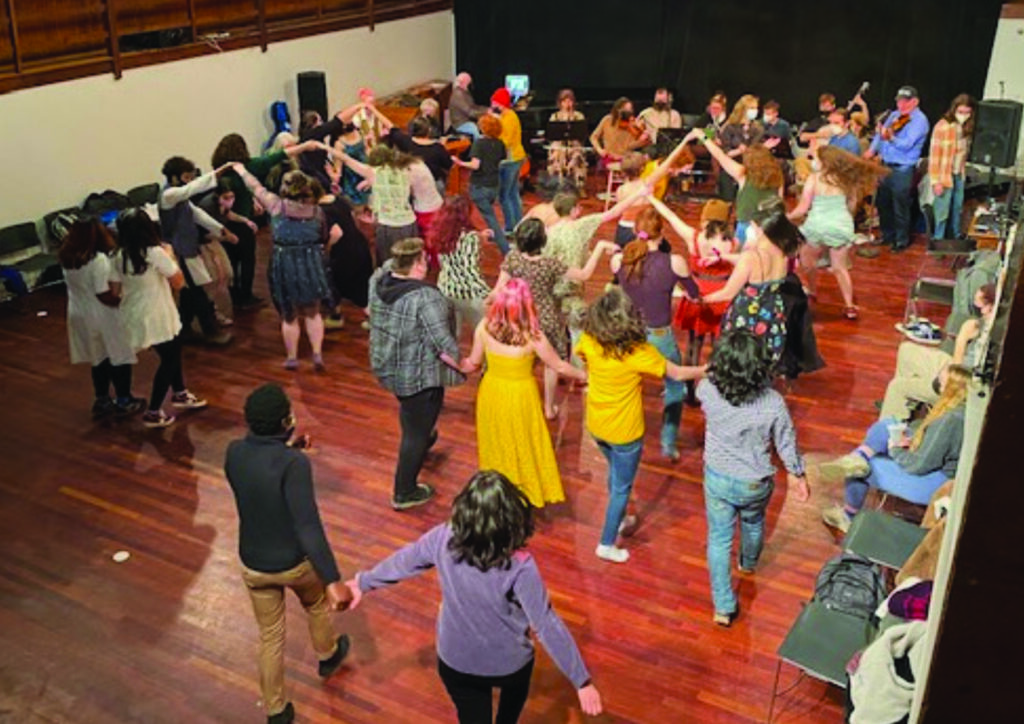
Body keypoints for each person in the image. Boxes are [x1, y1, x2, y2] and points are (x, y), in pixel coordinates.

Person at [344, 470, 603, 723]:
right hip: (509, 665)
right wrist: (581, 680)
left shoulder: (443, 537)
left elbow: (405, 561)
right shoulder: (521, 565)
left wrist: (363, 583)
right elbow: (546, 623)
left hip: (456, 662)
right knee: (512, 704)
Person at [224, 383, 353, 724]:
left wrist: (288, 447)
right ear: (285, 421)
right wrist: (332, 579)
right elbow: (307, 525)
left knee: (270, 637)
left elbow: (259, 475)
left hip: (253, 563)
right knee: (316, 604)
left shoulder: (233, 453)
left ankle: (276, 710)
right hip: (292, 563)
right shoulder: (294, 465)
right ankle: (327, 654)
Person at [575, 289, 704, 563]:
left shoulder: (589, 339)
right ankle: (606, 543)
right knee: (622, 487)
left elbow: (581, 356)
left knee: (615, 475)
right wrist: (706, 370)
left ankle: (619, 517)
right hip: (625, 432)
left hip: (596, 423)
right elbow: (678, 373)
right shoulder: (639, 352)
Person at [697, 329, 809, 625]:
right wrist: (797, 474)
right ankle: (748, 563)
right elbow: (786, 440)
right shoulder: (773, 402)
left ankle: (723, 606)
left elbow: (704, 388)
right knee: (754, 523)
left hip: (717, 477)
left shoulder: (707, 390)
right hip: (754, 482)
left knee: (718, 539)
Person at [462, 279, 586, 507]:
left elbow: (473, 363)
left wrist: (452, 362)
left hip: (491, 393)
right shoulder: (533, 336)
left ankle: (497, 493)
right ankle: (524, 492)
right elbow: (559, 366)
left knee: (496, 442)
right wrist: (584, 375)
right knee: (524, 443)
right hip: (521, 396)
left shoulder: (484, 328)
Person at [368, 238, 464, 510]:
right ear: (418, 264)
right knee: (415, 430)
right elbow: (442, 343)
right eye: (425, 260)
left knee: (413, 414)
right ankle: (405, 491)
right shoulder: (425, 298)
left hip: (388, 365)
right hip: (417, 375)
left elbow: (388, 265)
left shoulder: (378, 280)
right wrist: (463, 364)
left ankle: (424, 436)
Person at [820, 365, 970, 534]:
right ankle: (858, 456)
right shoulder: (960, 410)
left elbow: (918, 466)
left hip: (936, 484)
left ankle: (848, 516)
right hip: (934, 468)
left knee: (862, 467)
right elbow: (933, 445)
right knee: (887, 425)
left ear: (949, 388)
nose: (936, 384)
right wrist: (910, 438)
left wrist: (895, 450)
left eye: (940, 382)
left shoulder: (950, 421)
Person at [494, 219, 617, 420]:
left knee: (521, 358)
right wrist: (600, 247)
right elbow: (584, 275)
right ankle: (549, 407)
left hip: (519, 314)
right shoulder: (550, 264)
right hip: (545, 317)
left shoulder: (512, 259)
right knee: (551, 363)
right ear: (542, 241)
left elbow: (499, 288)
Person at [610, 205, 700, 461]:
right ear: (661, 234)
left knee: (625, 383)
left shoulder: (618, 261)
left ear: (636, 231)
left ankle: (621, 431)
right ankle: (668, 442)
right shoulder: (674, 262)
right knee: (675, 385)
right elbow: (694, 294)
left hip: (628, 332)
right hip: (659, 334)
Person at [111, 210, 208, 428]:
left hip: (133, 314)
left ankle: (180, 393)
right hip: (158, 314)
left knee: (171, 352)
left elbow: (115, 290)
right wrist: (170, 255)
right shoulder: (154, 253)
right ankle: (154, 411)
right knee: (170, 359)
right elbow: (178, 282)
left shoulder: (118, 256)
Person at [232, 164, 333, 371]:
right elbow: (323, 236)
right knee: (313, 312)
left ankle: (292, 357)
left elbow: (255, 187)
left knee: (289, 314)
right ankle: (316, 353)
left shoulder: (276, 206)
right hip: (310, 260)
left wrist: (241, 170)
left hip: (284, 260)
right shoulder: (317, 211)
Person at [210, 133, 325, 307]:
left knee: (232, 260)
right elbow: (277, 156)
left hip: (225, 222)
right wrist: (304, 146)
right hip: (244, 222)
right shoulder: (248, 166)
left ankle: (234, 295)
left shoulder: (219, 173)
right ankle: (246, 296)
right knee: (247, 260)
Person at [787, 145, 889, 319]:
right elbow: (852, 206)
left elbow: (802, 209)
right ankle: (849, 306)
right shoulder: (846, 180)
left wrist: (787, 216)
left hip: (817, 226)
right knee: (840, 268)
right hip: (841, 227)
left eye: (815, 158)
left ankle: (812, 290)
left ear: (824, 162)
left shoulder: (814, 179)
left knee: (808, 262)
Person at [701, 199, 803, 368]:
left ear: (761, 230)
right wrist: (723, 257)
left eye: (753, 227)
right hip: (772, 312)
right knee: (764, 360)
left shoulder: (751, 257)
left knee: (741, 360)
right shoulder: (784, 254)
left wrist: (701, 300)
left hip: (748, 315)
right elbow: (748, 262)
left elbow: (727, 293)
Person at [58, 217, 141, 418]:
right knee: (120, 355)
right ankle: (124, 399)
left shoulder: (67, 258)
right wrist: (125, 302)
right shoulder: (98, 260)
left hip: (78, 312)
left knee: (98, 358)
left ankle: (102, 398)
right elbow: (103, 294)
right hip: (102, 313)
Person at [880, 284, 995, 420]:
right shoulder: (990, 323)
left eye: (983, 308)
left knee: (897, 387)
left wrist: (962, 338)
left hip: (961, 386)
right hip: (960, 367)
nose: (981, 312)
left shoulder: (994, 338)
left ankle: (892, 426)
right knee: (906, 350)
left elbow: (957, 374)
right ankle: (904, 408)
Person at [158, 156, 235, 345]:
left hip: (187, 247)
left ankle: (184, 328)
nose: (190, 181)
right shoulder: (169, 195)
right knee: (197, 292)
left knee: (191, 292)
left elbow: (197, 214)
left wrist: (221, 230)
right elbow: (191, 189)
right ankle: (210, 331)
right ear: (174, 177)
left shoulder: (179, 197)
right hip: (179, 250)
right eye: (186, 177)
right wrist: (220, 171)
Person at [672, 202, 739, 380]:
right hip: (723, 298)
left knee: (694, 344)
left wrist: (651, 198)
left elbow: (672, 218)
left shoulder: (694, 237)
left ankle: (690, 387)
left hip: (698, 295)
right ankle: (717, 383)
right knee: (720, 345)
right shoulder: (734, 243)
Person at [688, 127, 783, 244]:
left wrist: (703, 137)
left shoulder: (743, 173)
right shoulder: (778, 176)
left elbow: (719, 155)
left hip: (747, 226)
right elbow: (779, 202)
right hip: (770, 226)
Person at [866, 86, 930, 252]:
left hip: (902, 169)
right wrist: (872, 150)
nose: (901, 105)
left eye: (905, 102)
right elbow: (880, 135)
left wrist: (891, 138)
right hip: (885, 165)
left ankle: (901, 240)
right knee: (883, 202)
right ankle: (887, 235)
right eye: (899, 101)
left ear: (915, 102)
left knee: (900, 205)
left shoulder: (920, 121)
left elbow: (907, 144)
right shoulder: (894, 115)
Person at [336, 145, 418, 266]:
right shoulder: (405, 171)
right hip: (409, 223)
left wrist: (323, 146)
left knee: (389, 263)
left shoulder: (373, 173)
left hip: (389, 225)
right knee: (410, 261)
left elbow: (346, 159)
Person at [320, 163, 374, 329]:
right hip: (359, 244)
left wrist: (327, 249)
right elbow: (353, 217)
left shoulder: (321, 210)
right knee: (362, 286)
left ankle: (336, 317)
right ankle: (372, 318)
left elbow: (336, 233)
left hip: (344, 253)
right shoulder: (339, 200)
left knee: (335, 284)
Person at [429, 195, 492, 338]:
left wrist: (479, 236)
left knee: (452, 335)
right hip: (468, 294)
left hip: (446, 289)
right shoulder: (470, 238)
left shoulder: (440, 232)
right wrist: (488, 294)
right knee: (483, 332)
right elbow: (470, 272)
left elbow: (447, 257)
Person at [453, 114, 509, 253]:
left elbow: (475, 165)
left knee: (490, 219)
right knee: (488, 215)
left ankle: (505, 249)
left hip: (480, 185)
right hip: (494, 185)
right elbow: (501, 160)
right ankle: (491, 236)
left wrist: (460, 163)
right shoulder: (500, 143)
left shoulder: (479, 144)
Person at [928, 94, 975, 239]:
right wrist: (935, 181)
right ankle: (938, 239)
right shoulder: (942, 126)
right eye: (960, 112)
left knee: (957, 208)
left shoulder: (966, 128)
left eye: (967, 112)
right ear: (954, 110)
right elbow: (934, 156)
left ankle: (955, 236)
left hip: (958, 174)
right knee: (942, 210)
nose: (963, 116)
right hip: (944, 175)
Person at [716, 95, 769, 201]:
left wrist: (763, 148)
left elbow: (755, 148)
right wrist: (739, 151)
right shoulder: (730, 127)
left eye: (756, 108)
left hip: (750, 168)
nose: (755, 111)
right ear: (743, 110)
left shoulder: (758, 129)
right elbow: (725, 153)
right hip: (730, 167)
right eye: (752, 108)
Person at [491, 88, 527, 235]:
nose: (492, 105)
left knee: (505, 195)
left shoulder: (509, 118)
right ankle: (518, 224)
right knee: (512, 193)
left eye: (494, 102)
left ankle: (510, 227)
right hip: (514, 158)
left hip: (510, 160)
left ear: (501, 103)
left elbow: (505, 140)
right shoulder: (507, 116)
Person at [390, 118, 454, 194]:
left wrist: (376, 111)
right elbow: (449, 165)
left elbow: (391, 127)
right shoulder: (437, 148)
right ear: (429, 130)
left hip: (411, 184)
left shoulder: (405, 141)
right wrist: (442, 146)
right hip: (433, 184)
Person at [546, 88, 588, 192]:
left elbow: (582, 134)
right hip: (559, 145)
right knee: (557, 154)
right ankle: (559, 184)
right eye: (564, 101)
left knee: (577, 154)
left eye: (570, 101)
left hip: (574, 144)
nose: (567, 104)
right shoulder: (555, 116)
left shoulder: (578, 116)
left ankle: (579, 185)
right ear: (560, 103)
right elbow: (551, 135)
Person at [589, 97, 650, 163]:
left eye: (630, 109)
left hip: (624, 160)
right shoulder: (607, 120)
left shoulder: (632, 125)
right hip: (608, 158)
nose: (628, 113)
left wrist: (641, 141)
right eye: (625, 109)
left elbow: (629, 146)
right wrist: (599, 150)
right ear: (617, 110)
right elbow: (593, 137)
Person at [450, 71, 489, 138]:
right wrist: (486, 112)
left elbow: (474, 106)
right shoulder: (458, 95)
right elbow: (470, 112)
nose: (470, 85)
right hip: (460, 123)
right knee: (474, 130)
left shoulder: (464, 93)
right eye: (469, 82)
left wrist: (486, 109)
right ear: (463, 82)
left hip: (468, 120)